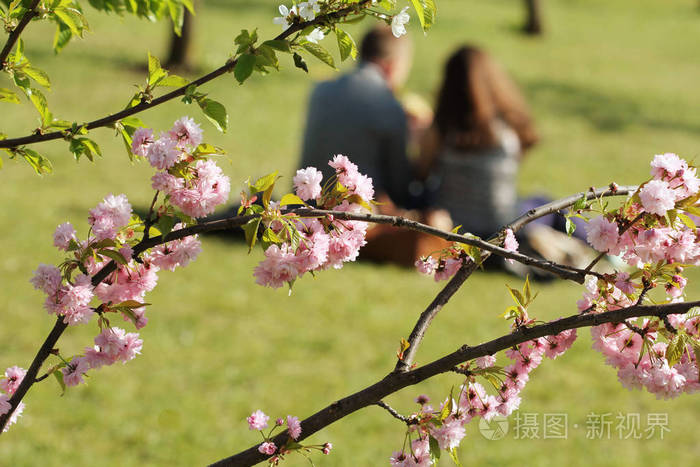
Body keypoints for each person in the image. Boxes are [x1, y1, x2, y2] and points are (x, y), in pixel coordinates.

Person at [416, 45, 538, 239]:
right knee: (542, 202)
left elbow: (421, 173)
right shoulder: (509, 130)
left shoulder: (443, 130)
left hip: (455, 226)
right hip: (504, 226)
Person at [299, 25, 414, 211]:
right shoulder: (389, 105)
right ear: (393, 65)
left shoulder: (321, 90)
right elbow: (399, 186)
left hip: (304, 207)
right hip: (352, 218)